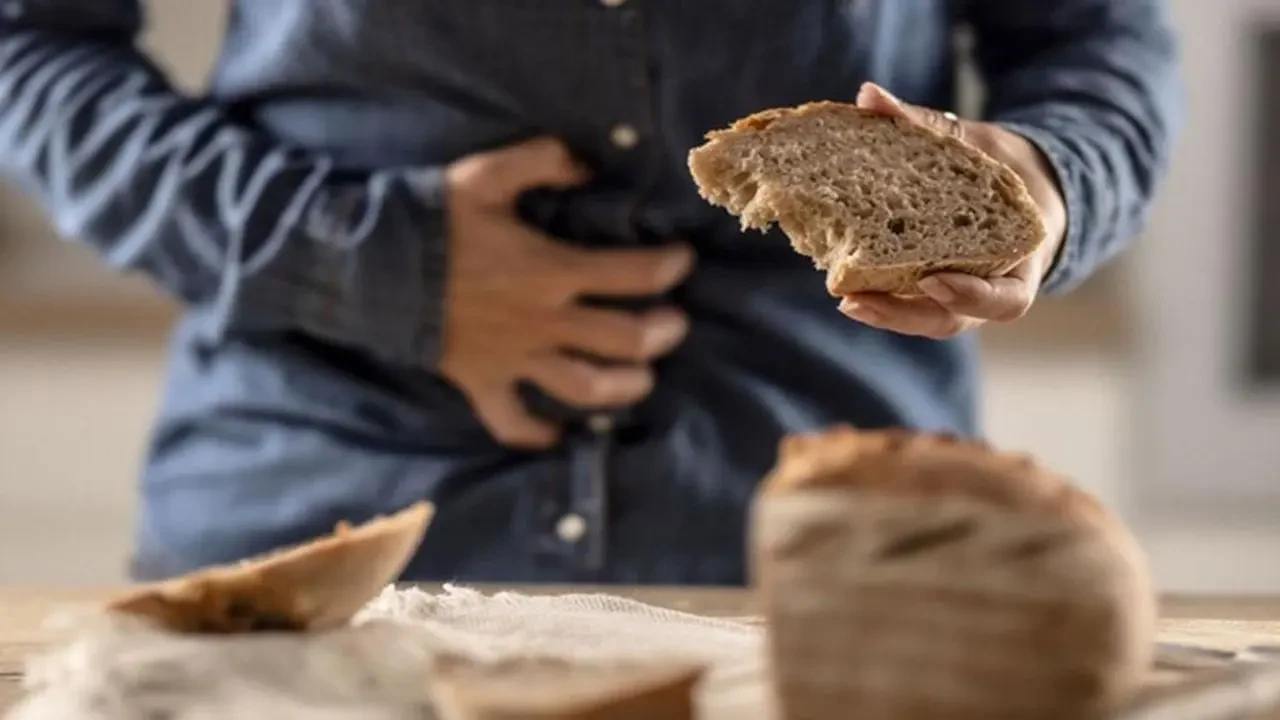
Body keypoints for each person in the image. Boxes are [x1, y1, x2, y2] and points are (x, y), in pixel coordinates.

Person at [0, 1, 1181, 585]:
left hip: (837, 571)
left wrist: (1047, 184)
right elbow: (32, 46)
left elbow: (1097, 40)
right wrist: (369, 260)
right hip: (317, 537)